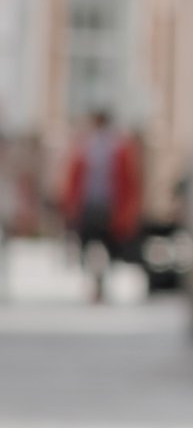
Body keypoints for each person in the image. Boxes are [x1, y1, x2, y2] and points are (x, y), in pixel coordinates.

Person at [58, 107, 141, 298]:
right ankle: (95, 281)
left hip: (108, 204)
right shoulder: (85, 146)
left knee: (108, 242)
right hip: (90, 202)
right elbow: (74, 177)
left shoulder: (117, 147)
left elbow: (128, 180)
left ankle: (101, 281)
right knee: (88, 241)